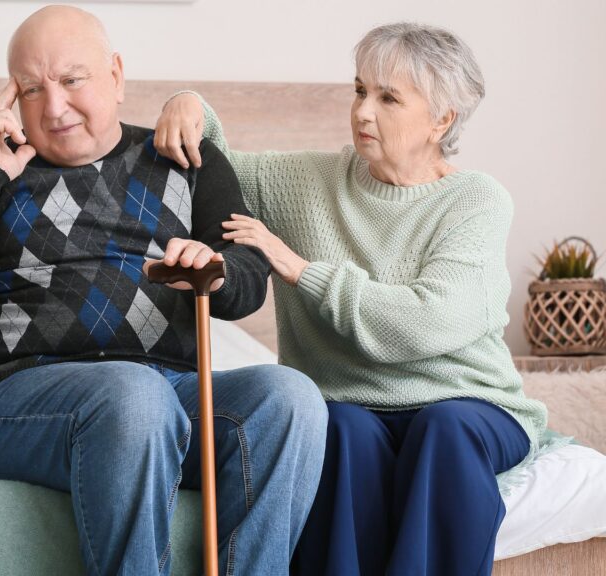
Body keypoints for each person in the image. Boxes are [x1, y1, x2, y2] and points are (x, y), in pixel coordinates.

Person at [0, 5, 327, 576]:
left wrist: (215, 266)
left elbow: (248, 274)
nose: (53, 107)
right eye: (31, 89)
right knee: (133, 395)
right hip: (13, 403)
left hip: (166, 393)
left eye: (71, 80)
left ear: (116, 74)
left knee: (290, 398)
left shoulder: (187, 164)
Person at [154, 21, 549, 576]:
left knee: (444, 429)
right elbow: (213, 160)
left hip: (470, 404)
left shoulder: (476, 202)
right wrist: (186, 101)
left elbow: (423, 324)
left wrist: (299, 270)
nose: (363, 111)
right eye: (361, 89)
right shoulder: (307, 181)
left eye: (389, 98)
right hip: (351, 402)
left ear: (442, 120)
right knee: (337, 428)